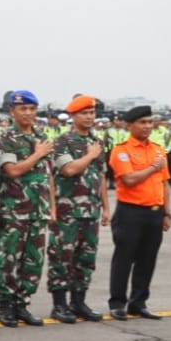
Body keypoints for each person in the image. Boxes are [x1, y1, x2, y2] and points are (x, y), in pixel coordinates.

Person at [0, 90, 55, 327]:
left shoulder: (42, 136)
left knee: (33, 261)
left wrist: (52, 207)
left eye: (32, 109)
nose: (28, 113)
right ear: (12, 112)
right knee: (8, 260)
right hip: (14, 211)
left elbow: (48, 176)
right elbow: (13, 170)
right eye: (23, 109)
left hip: (38, 211)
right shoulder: (7, 138)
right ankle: (5, 306)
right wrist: (38, 154)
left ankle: (22, 304)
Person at [46, 94, 110, 322]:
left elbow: (101, 176)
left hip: (90, 211)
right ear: (73, 116)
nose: (90, 117)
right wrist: (90, 155)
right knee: (62, 257)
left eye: (92, 113)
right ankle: (60, 304)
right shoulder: (63, 142)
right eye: (85, 113)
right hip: (67, 211)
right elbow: (68, 170)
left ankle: (79, 301)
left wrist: (106, 207)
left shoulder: (97, 141)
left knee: (86, 258)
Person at [106, 105, 171, 320]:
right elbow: (129, 179)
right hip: (130, 212)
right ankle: (117, 303)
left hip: (154, 212)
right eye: (142, 122)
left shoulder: (158, 149)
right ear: (129, 125)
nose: (147, 126)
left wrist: (167, 212)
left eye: (150, 122)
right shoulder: (121, 150)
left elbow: (164, 183)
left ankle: (139, 302)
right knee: (124, 259)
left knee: (147, 259)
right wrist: (153, 167)